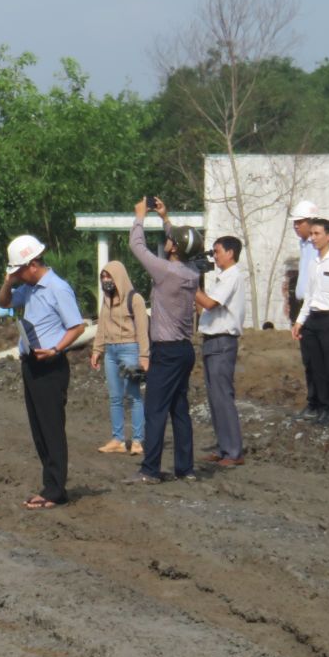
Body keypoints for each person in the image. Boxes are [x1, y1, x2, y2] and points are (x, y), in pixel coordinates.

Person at [0, 235, 85, 510]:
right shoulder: (30, 288)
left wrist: (56, 349)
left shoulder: (58, 288)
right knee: (38, 429)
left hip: (50, 364)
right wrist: (9, 282)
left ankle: (56, 489)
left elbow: (77, 326)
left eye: (20, 271)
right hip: (31, 363)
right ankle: (49, 485)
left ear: (33, 264)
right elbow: (3, 303)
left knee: (52, 428)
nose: (19, 276)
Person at [127, 199, 202, 484]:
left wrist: (140, 217)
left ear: (173, 248)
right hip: (185, 350)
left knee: (155, 409)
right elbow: (186, 246)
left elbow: (137, 247)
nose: (167, 241)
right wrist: (166, 218)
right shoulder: (193, 273)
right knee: (179, 410)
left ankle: (149, 470)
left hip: (167, 350)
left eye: (169, 240)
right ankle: (186, 468)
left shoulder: (166, 271)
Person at [286, 200, 329, 416]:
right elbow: (310, 292)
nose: (297, 227)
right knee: (313, 363)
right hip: (311, 313)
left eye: (300, 223)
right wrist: (300, 320)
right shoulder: (312, 256)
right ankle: (318, 405)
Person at [194, 236, 247, 466]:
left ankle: (233, 451)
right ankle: (224, 446)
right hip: (212, 339)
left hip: (222, 341)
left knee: (222, 396)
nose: (214, 256)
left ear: (230, 253)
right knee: (214, 397)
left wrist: (189, 282)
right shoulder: (222, 278)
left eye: (217, 252)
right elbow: (204, 307)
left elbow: (209, 303)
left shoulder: (232, 276)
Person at [89, 260, 149, 455]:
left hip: (130, 350)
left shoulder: (136, 299)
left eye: (109, 276)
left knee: (133, 396)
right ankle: (118, 439)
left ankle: (138, 440)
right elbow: (101, 327)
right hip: (111, 352)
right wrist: (97, 350)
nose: (106, 280)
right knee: (115, 397)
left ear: (119, 277)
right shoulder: (106, 300)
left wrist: (144, 356)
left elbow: (143, 330)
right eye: (103, 277)